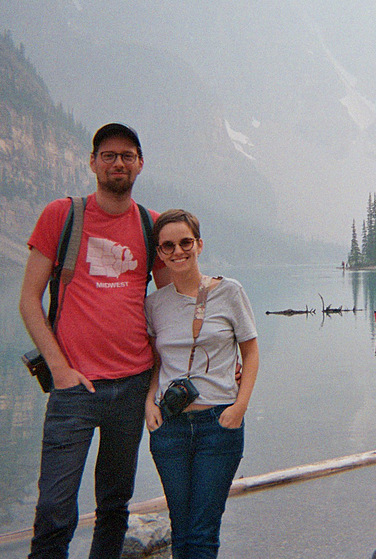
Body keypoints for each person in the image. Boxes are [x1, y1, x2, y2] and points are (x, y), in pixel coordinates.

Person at [19, 122, 170, 558]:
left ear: (140, 164)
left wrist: (226, 347)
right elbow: (29, 300)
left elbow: (171, 308)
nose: (117, 163)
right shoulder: (61, 216)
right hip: (74, 389)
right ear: (92, 162)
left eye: (127, 155)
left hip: (133, 384)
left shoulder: (151, 225)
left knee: (114, 505)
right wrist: (60, 369)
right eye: (108, 155)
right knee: (54, 510)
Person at [144, 209, 259, 559]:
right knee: (181, 529)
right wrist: (149, 402)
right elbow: (155, 362)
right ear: (160, 253)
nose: (178, 251)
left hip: (218, 426)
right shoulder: (154, 304)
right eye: (168, 246)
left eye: (185, 242)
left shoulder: (230, 292)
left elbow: (251, 352)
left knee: (204, 531)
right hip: (170, 427)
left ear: (199, 244)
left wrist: (239, 408)